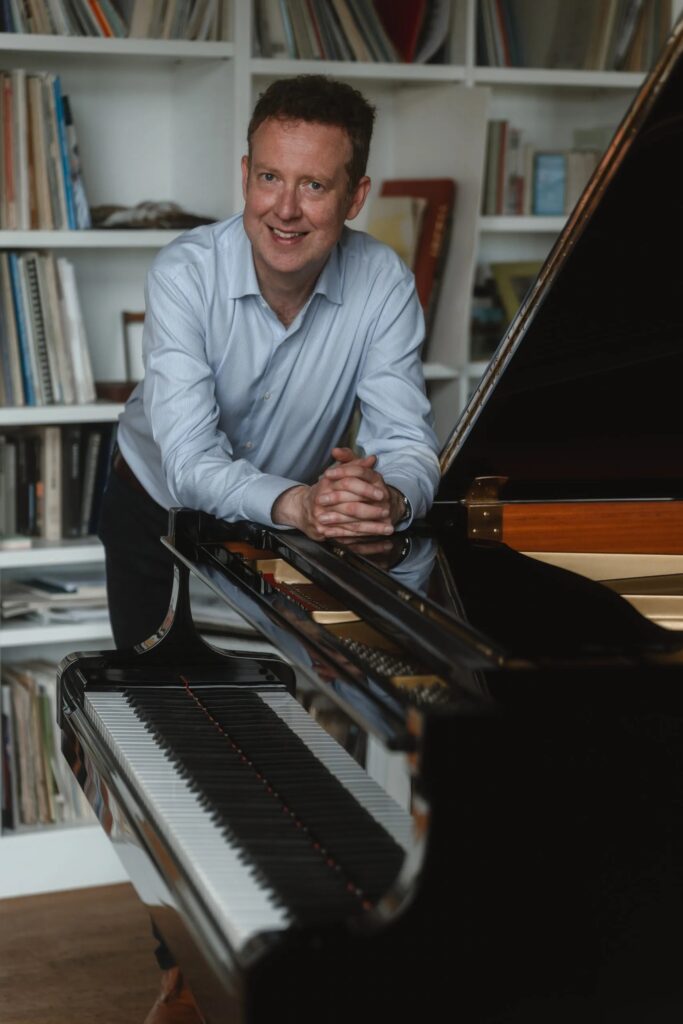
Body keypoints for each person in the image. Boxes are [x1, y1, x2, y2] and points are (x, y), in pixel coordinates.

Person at [97, 74, 441, 1024]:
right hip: (157, 507)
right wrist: (300, 499)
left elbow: (408, 439)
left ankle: (287, 941)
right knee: (173, 719)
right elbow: (196, 462)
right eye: (268, 178)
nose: (284, 209)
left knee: (280, 717)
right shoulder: (184, 273)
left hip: (300, 513)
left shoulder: (380, 282)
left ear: (356, 193)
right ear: (243, 172)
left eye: (315, 186)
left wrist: (383, 491)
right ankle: (182, 970)